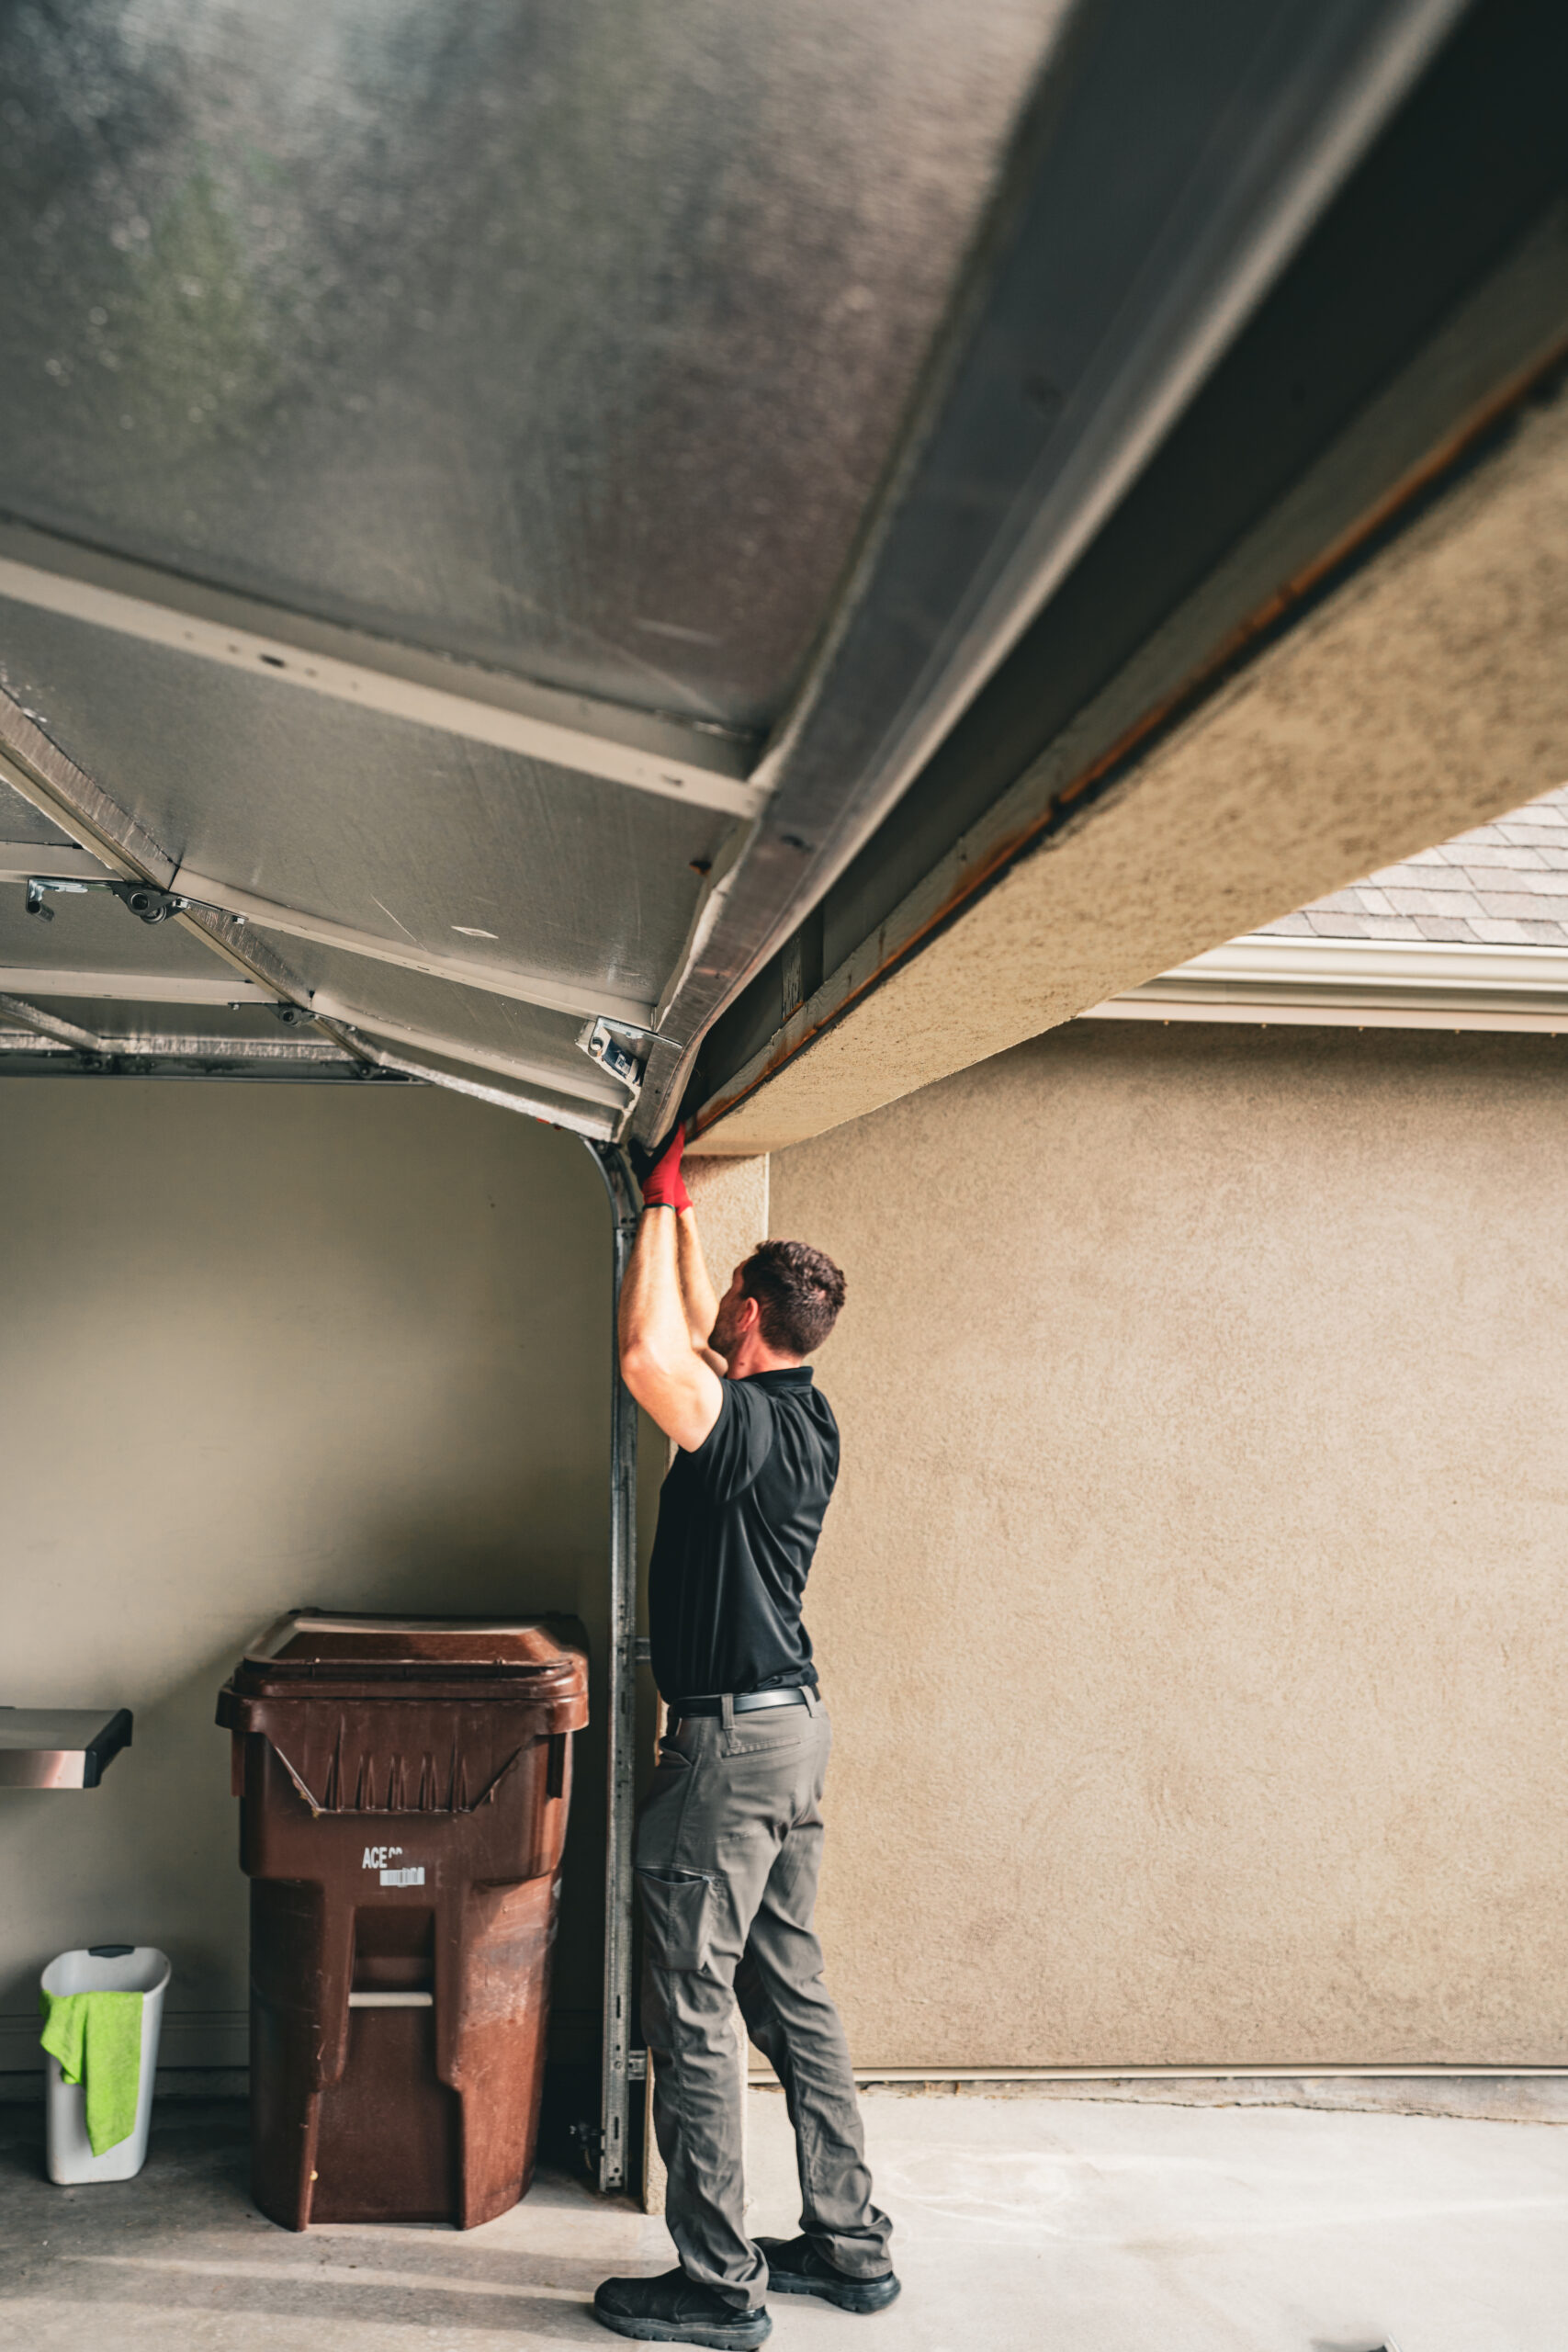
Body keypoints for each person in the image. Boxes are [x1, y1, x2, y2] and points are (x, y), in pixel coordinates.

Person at [592, 1125, 897, 2350]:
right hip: (795, 1739)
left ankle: (716, 2285)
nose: (714, 1312)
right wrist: (672, 1215)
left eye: (730, 1301)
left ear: (752, 1320)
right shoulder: (801, 1415)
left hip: (724, 1758)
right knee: (791, 1990)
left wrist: (659, 1216)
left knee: (692, 2006)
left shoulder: (740, 1433)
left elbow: (641, 1352)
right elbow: (692, 1333)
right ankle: (847, 2246)